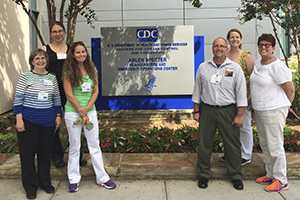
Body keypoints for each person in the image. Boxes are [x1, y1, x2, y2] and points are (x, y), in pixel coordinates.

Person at [192, 37, 247, 190]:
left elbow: (241, 92)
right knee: (204, 144)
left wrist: (240, 115)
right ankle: (203, 175)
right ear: (212, 48)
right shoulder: (203, 67)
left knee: (232, 145)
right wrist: (196, 111)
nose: (219, 48)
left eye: (222, 46)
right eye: (216, 46)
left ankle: (235, 176)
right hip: (207, 110)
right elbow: (197, 90)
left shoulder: (235, 68)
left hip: (228, 110)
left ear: (227, 48)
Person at [63, 41, 116, 192]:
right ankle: (73, 179)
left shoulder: (92, 69)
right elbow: (69, 93)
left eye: (83, 52)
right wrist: (80, 110)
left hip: (90, 111)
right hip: (73, 112)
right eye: (78, 52)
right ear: (73, 55)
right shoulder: (68, 71)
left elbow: (95, 91)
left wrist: (87, 109)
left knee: (94, 145)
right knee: (74, 147)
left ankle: (102, 178)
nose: (81, 54)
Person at [14, 49, 62, 199]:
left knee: (45, 155)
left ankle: (45, 183)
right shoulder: (25, 76)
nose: (40, 61)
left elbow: (56, 99)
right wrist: (19, 118)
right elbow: (18, 99)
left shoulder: (52, 78)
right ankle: (30, 187)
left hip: (48, 122)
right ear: (32, 61)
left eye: (43, 58)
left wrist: (58, 115)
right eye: (37, 58)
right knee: (28, 156)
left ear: (46, 60)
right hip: (28, 122)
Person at [250, 34, 295, 192]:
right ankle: (270, 174)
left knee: (275, 145)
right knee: (265, 144)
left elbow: (290, 89)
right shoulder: (259, 63)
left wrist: (285, 107)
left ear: (273, 48)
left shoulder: (278, 66)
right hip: (261, 111)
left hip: (274, 111)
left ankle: (281, 180)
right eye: (261, 44)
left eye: (267, 45)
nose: (263, 48)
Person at [45, 21, 86, 168]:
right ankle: (57, 156)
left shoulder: (71, 49)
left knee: (75, 123)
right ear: (51, 33)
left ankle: (78, 156)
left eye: (60, 31)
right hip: (52, 92)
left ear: (64, 32)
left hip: (71, 92)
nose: (57, 34)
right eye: (54, 31)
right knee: (53, 125)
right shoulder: (45, 50)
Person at [226, 28, 254, 166]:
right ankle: (233, 153)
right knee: (230, 127)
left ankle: (246, 155)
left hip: (244, 98)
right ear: (228, 40)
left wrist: (249, 97)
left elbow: (253, 78)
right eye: (232, 37)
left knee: (244, 126)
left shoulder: (246, 57)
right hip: (228, 98)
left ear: (240, 39)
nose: (234, 39)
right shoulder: (225, 56)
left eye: (237, 37)